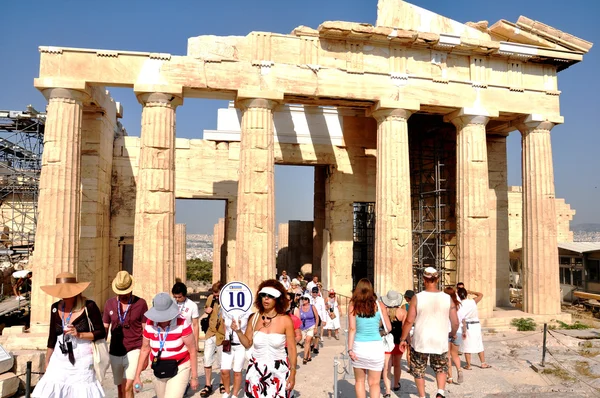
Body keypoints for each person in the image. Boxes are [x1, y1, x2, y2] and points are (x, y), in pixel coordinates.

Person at [33, 272, 106, 398]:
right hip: (59, 358)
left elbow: (101, 333)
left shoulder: (89, 306)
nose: (64, 296)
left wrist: (80, 334)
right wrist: (47, 361)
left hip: (81, 360)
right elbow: (52, 337)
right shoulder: (55, 308)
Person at [400, 267, 458, 398]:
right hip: (440, 339)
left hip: (421, 339)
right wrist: (453, 333)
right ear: (437, 279)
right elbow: (455, 322)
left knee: (419, 370)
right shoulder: (447, 298)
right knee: (441, 367)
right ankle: (440, 391)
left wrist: (403, 338)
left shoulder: (417, 298)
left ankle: (422, 396)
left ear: (424, 280)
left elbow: (409, 321)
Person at [232, 280, 297, 397]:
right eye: (263, 295)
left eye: (270, 296)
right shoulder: (254, 318)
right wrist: (238, 331)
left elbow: (292, 349)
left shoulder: (285, 320)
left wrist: (293, 373)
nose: (266, 298)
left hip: (279, 372)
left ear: (278, 298)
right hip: (256, 372)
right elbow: (247, 344)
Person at [133, 292, 199, 398]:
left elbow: (192, 349)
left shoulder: (182, 322)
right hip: (158, 367)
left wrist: (194, 376)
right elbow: (145, 349)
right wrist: (137, 376)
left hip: (180, 367)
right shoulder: (150, 324)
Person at [103, 271, 149, 398]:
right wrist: (99, 351)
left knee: (128, 385)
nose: (122, 295)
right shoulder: (109, 304)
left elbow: (146, 330)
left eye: (125, 291)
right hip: (115, 350)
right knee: (120, 388)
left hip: (134, 347)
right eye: (120, 292)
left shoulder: (141, 304)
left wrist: (147, 355)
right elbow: (105, 328)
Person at [347, 278, 392, 398]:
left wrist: (350, 349)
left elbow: (352, 329)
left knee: (359, 381)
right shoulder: (379, 305)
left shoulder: (353, 306)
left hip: (359, 347)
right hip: (375, 347)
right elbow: (389, 327)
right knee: (374, 384)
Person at [199, 282, 225, 397]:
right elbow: (206, 308)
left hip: (222, 334)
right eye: (214, 294)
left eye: (217, 294)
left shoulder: (228, 301)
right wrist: (206, 310)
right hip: (210, 332)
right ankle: (208, 384)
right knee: (207, 358)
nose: (215, 296)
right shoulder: (210, 298)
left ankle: (222, 383)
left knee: (222, 361)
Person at [220, 308, 251, 398]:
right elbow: (224, 323)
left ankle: (235, 394)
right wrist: (226, 335)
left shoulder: (247, 312)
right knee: (224, 370)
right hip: (228, 344)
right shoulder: (225, 310)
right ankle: (227, 391)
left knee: (237, 371)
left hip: (240, 345)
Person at [457, 288, 491, 369]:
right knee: (479, 343)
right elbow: (480, 294)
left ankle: (468, 365)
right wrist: (471, 292)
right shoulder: (472, 302)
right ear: (466, 294)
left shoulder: (459, 305)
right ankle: (483, 363)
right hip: (475, 325)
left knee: (466, 345)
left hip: (466, 325)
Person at [381, 290, 407, 396]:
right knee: (397, 364)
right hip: (398, 341)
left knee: (387, 366)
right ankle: (396, 385)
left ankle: (387, 390)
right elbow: (405, 328)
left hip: (386, 342)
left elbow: (380, 326)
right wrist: (406, 340)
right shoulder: (403, 312)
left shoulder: (384, 311)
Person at [444, 286, 464, 385]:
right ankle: (459, 370)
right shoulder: (459, 305)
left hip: (447, 331)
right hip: (458, 331)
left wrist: (452, 332)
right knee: (455, 354)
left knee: (447, 356)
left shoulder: (444, 305)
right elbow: (461, 319)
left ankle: (450, 377)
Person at [172, 282, 200, 348]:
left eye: (179, 297)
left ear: (185, 295)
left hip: (187, 337)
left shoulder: (192, 305)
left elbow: (195, 325)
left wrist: (196, 342)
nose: (177, 299)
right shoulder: (170, 303)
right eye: (175, 297)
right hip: (173, 336)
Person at [295, 294, 318, 364]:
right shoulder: (300, 308)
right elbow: (298, 318)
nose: (303, 300)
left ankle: (304, 358)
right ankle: (309, 356)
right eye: (302, 299)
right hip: (303, 327)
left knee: (308, 340)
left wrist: (316, 327)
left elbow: (317, 317)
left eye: (305, 299)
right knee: (306, 342)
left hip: (311, 326)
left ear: (308, 300)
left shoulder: (312, 307)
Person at [310, 286, 327, 355]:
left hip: (319, 317)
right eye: (313, 292)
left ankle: (315, 347)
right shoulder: (308, 299)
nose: (315, 293)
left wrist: (324, 320)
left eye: (316, 292)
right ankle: (311, 344)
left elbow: (323, 310)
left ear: (318, 292)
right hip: (311, 317)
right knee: (311, 333)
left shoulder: (321, 299)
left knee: (317, 334)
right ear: (311, 292)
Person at [403, 289, 415, 366]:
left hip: (409, 327)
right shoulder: (417, 305)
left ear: (407, 298)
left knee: (408, 349)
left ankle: (410, 366)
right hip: (416, 328)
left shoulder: (405, 306)